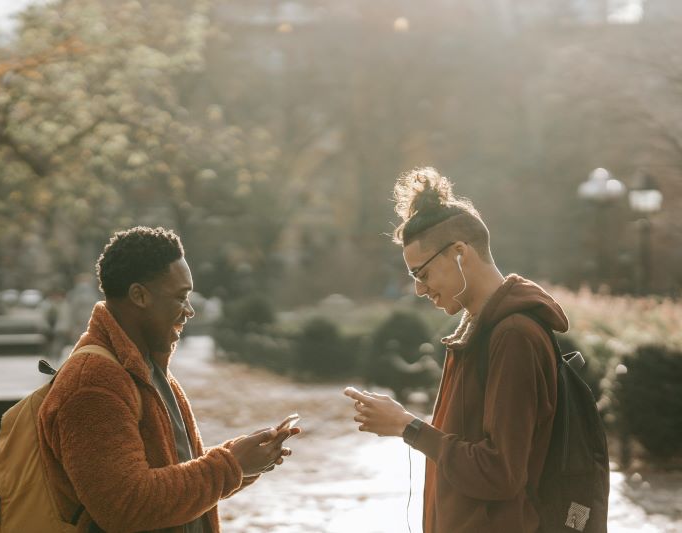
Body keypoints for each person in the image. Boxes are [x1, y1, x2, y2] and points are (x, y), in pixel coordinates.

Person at [345, 167, 568, 533]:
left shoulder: (514, 335)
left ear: (460, 254)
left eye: (422, 274)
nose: (419, 289)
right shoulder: (479, 328)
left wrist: (408, 427)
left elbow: (501, 473)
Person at [39, 226, 299, 533]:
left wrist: (241, 460)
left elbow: (178, 480)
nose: (189, 310)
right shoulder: (93, 383)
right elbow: (125, 506)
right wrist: (232, 466)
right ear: (139, 295)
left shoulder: (144, 365)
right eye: (180, 297)